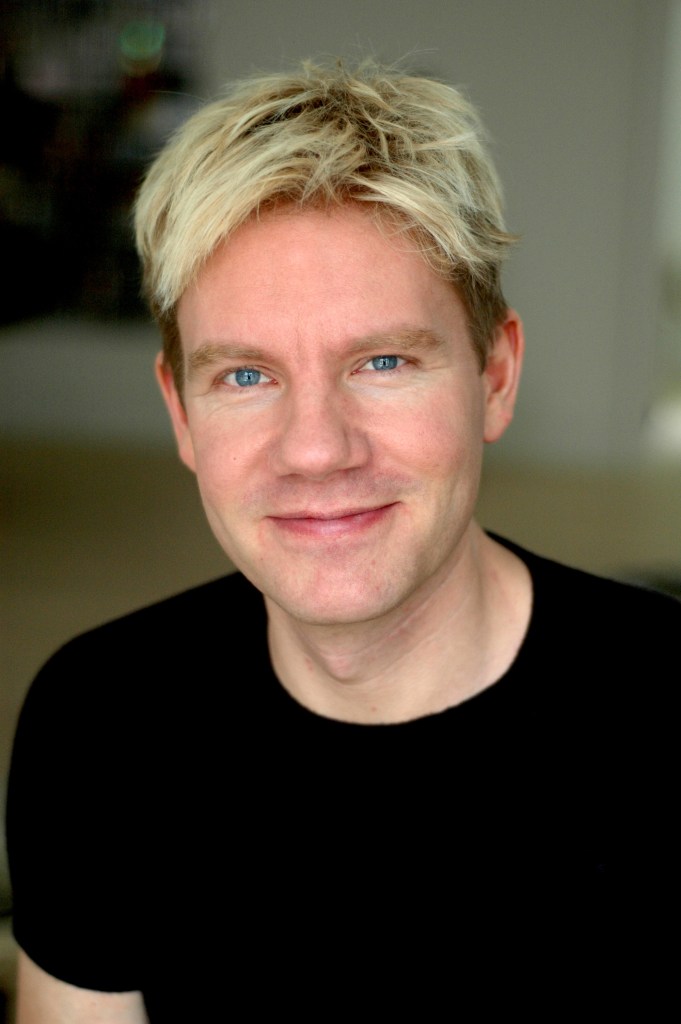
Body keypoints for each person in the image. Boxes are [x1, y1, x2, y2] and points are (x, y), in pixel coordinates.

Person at [7, 58, 679, 1021]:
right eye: (245, 377)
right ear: (181, 414)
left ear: (494, 377)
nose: (316, 449)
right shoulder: (99, 720)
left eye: (383, 361)